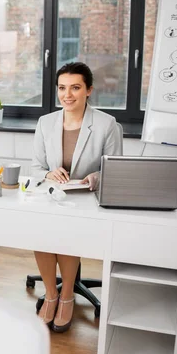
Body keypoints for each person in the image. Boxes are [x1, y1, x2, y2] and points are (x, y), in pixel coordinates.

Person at [31, 62, 122, 333]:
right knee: (41, 232)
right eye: (62, 88)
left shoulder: (107, 124)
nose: (67, 94)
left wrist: (96, 177)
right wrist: (49, 174)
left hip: (86, 203)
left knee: (66, 234)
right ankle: (51, 294)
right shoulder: (45, 123)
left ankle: (67, 295)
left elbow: (115, 169)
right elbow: (36, 167)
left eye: (75, 87)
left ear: (89, 90)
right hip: (52, 198)